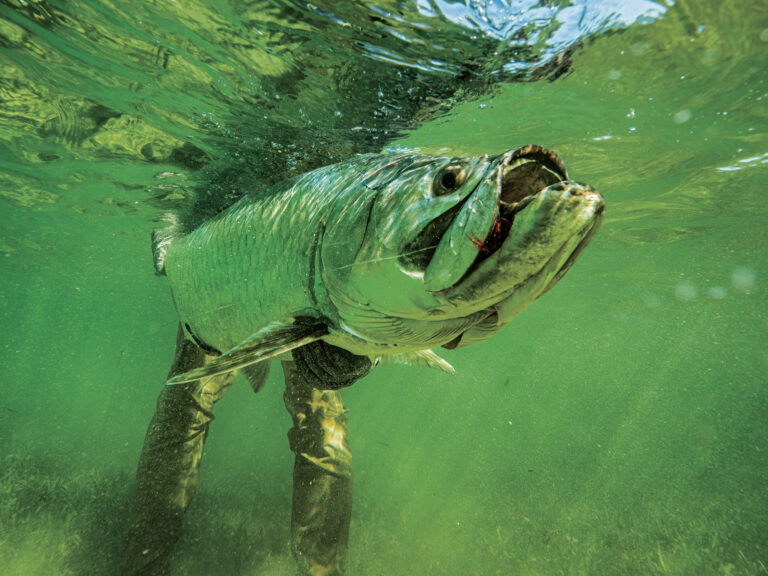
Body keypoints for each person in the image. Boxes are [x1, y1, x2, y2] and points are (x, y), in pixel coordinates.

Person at [123, 325, 372, 576]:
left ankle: (146, 560)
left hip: (250, 305)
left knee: (188, 405)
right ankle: (146, 562)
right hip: (295, 307)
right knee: (320, 422)